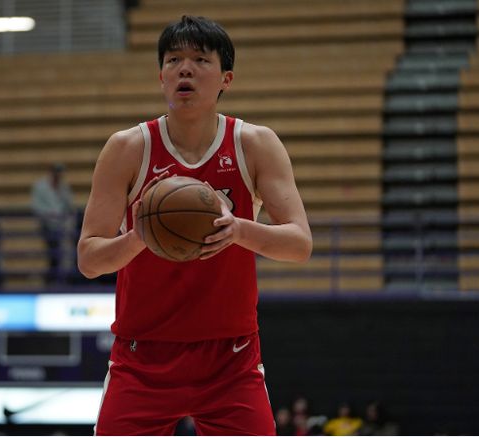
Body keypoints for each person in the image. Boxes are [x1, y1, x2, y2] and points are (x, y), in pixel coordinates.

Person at [77, 15, 312, 435]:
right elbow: (89, 260)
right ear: (161, 77)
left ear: (226, 78)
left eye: (200, 60)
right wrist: (138, 237)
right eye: (173, 60)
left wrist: (238, 230)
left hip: (230, 357)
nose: (184, 69)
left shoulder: (254, 144)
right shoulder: (127, 148)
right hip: (142, 356)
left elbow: (299, 244)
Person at [31, 163, 75, 285]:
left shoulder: (63, 187)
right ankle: (52, 278)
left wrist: (64, 216)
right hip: (47, 224)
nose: (58, 175)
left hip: (61, 225)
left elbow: (68, 204)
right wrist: (49, 215)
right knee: (53, 251)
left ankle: (57, 278)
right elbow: (37, 206)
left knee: (61, 252)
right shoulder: (40, 186)